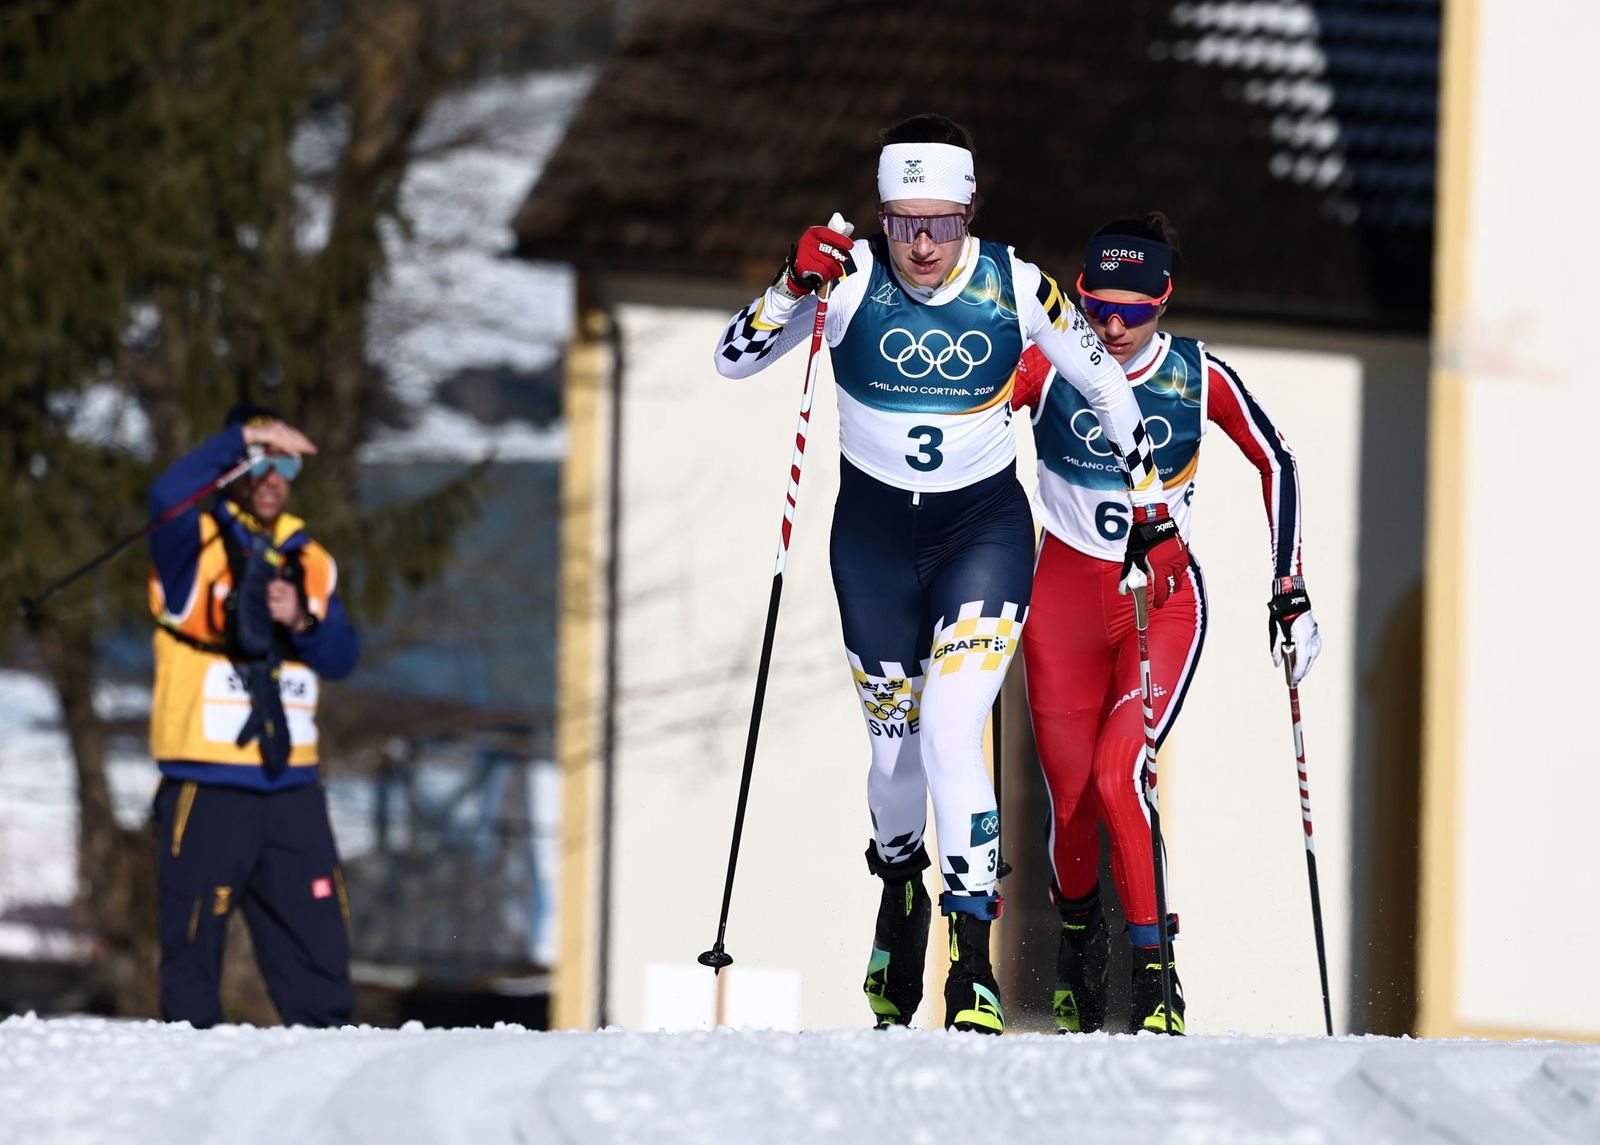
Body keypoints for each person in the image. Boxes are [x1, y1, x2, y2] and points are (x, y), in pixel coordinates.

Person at [712, 115, 1184, 1033]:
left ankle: (971, 963)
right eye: (903, 222)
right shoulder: (849, 280)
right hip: (875, 545)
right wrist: (787, 284)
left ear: (970, 211)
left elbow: (1105, 384)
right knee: (894, 758)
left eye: (941, 222)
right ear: (882, 216)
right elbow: (734, 360)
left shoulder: (1017, 285)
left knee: (950, 730)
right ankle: (900, 891)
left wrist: (1152, 509)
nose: (922, 245)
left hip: (982, 532)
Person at [1012, 211, 1323, 1035]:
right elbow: (965, 409)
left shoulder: (1196, 374)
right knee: (1072, 801)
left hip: (1159, 601)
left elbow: (1277, 459)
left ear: (1164, 301)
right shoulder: (1050, 362)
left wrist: (1287, 585)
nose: (1112, 327)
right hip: (1061, 601)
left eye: (1132, 311)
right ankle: (1081, 952)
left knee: (1122, 773)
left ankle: (1154, 972)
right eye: (1098, 308)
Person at [146, 403, 361, 1028]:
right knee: (192, 954)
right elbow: (165, 496)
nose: (272, 478)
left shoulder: (310, 558)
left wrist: (300, 619)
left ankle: (331, 1088)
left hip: (292, 790)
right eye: (259, 463)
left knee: (319, 949)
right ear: (232, 469)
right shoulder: (193, 543)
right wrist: (242, 437)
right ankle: (185, 1085)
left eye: (284, 464)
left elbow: (342, 656)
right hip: (207, 784)